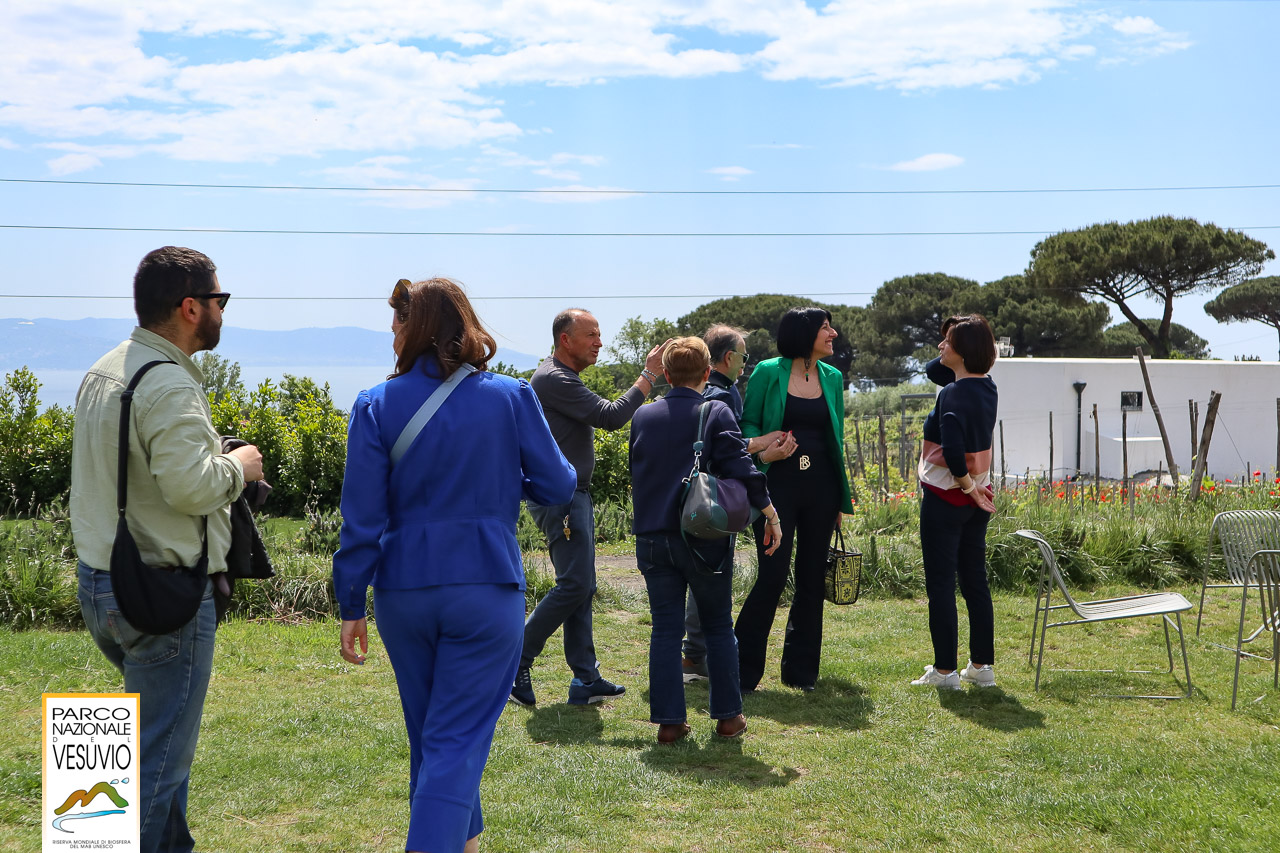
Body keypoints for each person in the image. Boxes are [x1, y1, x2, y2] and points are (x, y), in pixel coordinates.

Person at [334, 278, 576, 853]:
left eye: (396, 322)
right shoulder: (510, 396)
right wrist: (503, 483)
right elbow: (559, 483)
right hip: (485, 586)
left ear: (412, 328)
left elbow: (360, 519)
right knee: (453, 745)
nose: (391, 333)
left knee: (434, 742)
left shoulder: (373, 403)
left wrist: (350, 603)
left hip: (403, 593)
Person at [71, 246, 264, 853]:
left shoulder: (105, 369)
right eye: (219, 301)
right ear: (190, 307)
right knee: (155, 765)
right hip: (163, 592)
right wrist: (238, 466)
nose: (221, 312)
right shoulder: (172, 384)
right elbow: (191, 486)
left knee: (119, 756)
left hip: (101, 582)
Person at [511, 309, 669, 707]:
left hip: (569, 494)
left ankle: (585, 678)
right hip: (560, 497)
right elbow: (611, 416)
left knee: (582, 586)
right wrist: (649, 375)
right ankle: (515, 662)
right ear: (566, 339)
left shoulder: (559, 376)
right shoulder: (554, 379)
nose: (600, 342)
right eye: (592, 335)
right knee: (576, 584)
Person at [630, 337, 781, 743]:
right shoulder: (714, 410)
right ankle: (729, 717)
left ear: (664, 373)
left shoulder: (642, 417)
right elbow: (742, 467)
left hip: (651, 536)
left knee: (664, 629)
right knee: (716, 624)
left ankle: (669, 722)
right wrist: (768, 511)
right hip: (701, 537)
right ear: (705, 373)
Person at [735, 307, 855, 693]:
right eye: (825, 329)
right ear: (805, 334)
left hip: (822, 488)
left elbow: (835, 438)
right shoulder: (769, 372)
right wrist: (770, 442)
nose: (833, 334)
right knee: (772, 577)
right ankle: (741, 671)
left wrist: (839, 497)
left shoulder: (833, 377)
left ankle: (801, 674)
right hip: (776, 487)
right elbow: (748, 426)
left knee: (810, 578)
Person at [681, 325, 795, 682]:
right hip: (716, 498)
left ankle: (692, 655)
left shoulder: (703, 389)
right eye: (744, 357)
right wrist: (763, 445)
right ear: (729, 358)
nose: (746, 364)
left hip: (694, 495)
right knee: (711, 576)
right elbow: (726, 448)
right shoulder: (723, 395)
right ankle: (699, 657)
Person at [910, 314, 999, 690]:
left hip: (949, 498)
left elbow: (952, 449)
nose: (940, 347)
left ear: (962, 352)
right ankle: (981, 667)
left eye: (947, 342)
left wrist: (966, 486)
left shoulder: (950, 393)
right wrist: (959, 331)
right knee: (975, 582)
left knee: (942, 586)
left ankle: (944, 672)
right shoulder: (988, 387)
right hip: (978, 501)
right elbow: (939, 367)